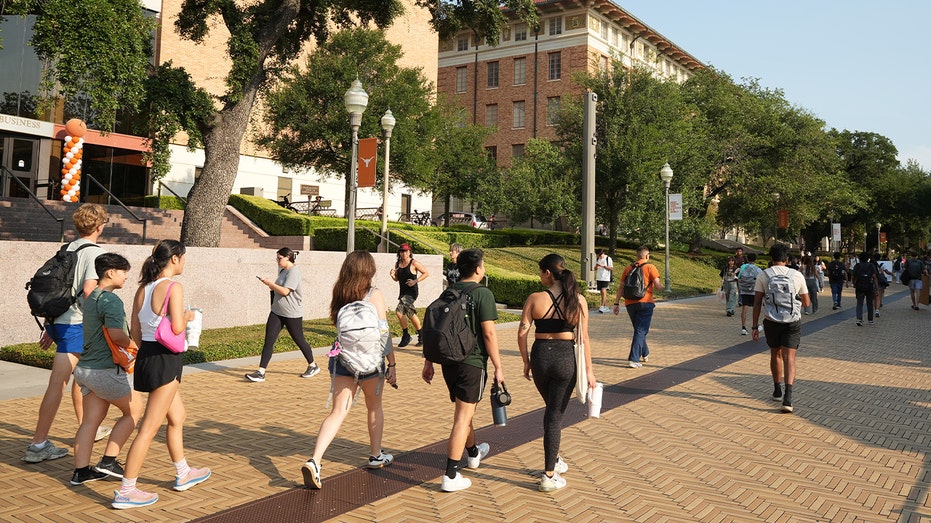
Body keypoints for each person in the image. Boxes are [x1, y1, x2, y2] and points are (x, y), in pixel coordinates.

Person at [113, 240, 210, 509]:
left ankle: (183, 472)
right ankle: (126, 490)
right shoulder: (173, 287)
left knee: (178, 416)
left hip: (147, 356)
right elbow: (177, 327)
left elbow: (134, 330)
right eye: (183, 258)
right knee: (148, 428)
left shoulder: (142, 289)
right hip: (166, 359)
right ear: (175, 259)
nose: (184, 262)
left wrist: (148, 350)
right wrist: (189, 316)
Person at [301, 250, 398, 489]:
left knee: (337, 412)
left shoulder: (340, 292)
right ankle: (375, 455)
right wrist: (392, 363)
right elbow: (384, 334)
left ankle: (315, 460)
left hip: (344, 361)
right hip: (372, 363)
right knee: (374, 407)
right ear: (369, 270)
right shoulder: (374, 294)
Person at [24, 203, 110, 464]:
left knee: (79, 379)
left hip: (59, 321)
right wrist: (101, 323)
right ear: (99, 226)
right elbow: (89, 291)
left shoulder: (68, 249)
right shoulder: (95, 253)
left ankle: (87, 427)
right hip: (75, 325)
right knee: (58, 385)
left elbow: (57, 288)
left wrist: (50, 324)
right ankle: (38, 444)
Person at [421, 248, 503, 492]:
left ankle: (474, 453)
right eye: (483, 265)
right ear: (478, 269)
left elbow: (435, 328)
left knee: (464, 412)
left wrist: (428, 362)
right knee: (462, 417)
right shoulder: (482, 293)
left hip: (449, 362)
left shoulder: (449, 291)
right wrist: (499, 366)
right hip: (472, 362)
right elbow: (489, 334)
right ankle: (450, 475)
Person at [517, 254, 596, 492]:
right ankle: (549, 474)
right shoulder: (578, 300)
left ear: (548, 273)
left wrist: (526, 361)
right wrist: (589, 371)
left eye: (540, 272)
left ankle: (555, 459)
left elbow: (522, 333)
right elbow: (584, 337)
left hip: (541, 357)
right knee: (554, 414)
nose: (539, 276)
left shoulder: (534, 298)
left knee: (552, 411)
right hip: (565, 359)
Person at [71, 253, 143, 485]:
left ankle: (81, 472)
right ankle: (109, 461)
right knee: (133, 412)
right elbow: (117, 335)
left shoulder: (92, 297)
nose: (126, 276)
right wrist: (136, 347)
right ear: (110, 272)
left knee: (90, 421)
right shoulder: (111, 300)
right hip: (105, 370)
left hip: (85, 370)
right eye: (123, 271)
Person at [751, 243, 810, 413]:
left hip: (771, 321)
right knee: (789, 358)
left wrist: (754, 326)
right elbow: (807, 303)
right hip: (792, 322)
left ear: (771, 258)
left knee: (775, 354)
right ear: (787, 259)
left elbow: (757, 303)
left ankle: (777, 390)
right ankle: (788, 398)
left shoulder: (763, 275)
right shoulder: (796, 275)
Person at [245, 248, 320, 382]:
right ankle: (261, 372)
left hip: (291, 314)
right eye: (277, 258)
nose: (277, 261)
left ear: (287, 258)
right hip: (277, 312)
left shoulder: (294, 272)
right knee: (269, 341)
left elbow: (285, 291)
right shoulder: (283, 270)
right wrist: (270, 285)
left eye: (279, 258)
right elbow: (278, 288)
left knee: (299, 340)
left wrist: (270, 283)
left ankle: (313, 365)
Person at [612, 246, 661, 368]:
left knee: (639, 330)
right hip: (645, 302)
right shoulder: (651, 267)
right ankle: (634, 359)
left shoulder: (628, 268)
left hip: (630, 303)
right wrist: (661, 285)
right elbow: (658, 286)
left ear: (637, 256)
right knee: (641, 330)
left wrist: (616, 303)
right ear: (647, 256)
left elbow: (621, 287)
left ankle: (645, 352)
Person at [390, 243, 429, 347]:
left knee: (399, 312)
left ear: (409, 252)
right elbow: (397, 279)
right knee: (410, 314)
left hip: (412, 292)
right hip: (403, 292)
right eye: (402, 251)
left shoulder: (414, 263)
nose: (404, 254)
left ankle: (406, 335)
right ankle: (422, 336)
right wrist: (392, 275)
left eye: (406, 251)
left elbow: (426, 273)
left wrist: (415, 281)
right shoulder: (398, 264)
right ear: (399, 253)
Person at [736, 253, 762, 336]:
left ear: (747, 259)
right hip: (754, 291)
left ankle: (743, 327)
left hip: (744, 291)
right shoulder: (758, 270)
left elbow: (738, 277)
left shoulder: (743, 268)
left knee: (744, 309)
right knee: (756, 308)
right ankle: (756, 325)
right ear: (755, 260)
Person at [851, 251, 879, 326]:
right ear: (868, 258)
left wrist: (854, 283)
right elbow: (874, 277)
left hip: (859, 286)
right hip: (869, 286)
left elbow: (853, 276)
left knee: (859, 303)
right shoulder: (871, 265)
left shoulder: (857, 266)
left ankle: (859, 319)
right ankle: (870, 320)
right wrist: (876, 288)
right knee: (870, 303)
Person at [594, 248, 614, 313]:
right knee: (601, 292)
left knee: (603, 290)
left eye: (600, 255)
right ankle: (604, 306)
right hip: (599, 277)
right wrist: (596, 266)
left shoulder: (608, 258)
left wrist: (603, 266)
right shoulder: (597, 259)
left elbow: (611, 268)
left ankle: (603, 305)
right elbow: (595, 268)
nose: (599, 257)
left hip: (605, 277)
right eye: (598, 255)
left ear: (603, 253)